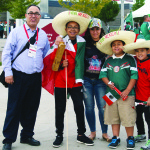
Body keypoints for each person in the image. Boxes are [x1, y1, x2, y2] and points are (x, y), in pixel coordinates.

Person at [42, 11, 94, 148]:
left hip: (76, 81)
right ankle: (59, 134)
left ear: (79, 30)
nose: (72, 29)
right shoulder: (60, 42)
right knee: (60, 109)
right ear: (65, 29)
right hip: (61, 81)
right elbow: (53, 64)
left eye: (75, 27)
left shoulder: (82, 43)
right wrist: (60, 64)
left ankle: (81, 134)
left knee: (79, 108)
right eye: (70, 27)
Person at [2, 4, 50, 150]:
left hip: (35, 77)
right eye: (31, 13)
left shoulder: (42, 35)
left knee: (31, 108)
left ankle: (27, 135)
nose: (33, 16)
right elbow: (6, 53)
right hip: (17, 76)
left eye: (36, 13)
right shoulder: (17, 32)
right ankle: (8, 139)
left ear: (40, 17)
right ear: (26, 15)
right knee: (14, 108)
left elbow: (46, 55)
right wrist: (8, 73)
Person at [97, 31, 138, 149]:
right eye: (114, 44)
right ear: (111, 48)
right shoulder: (108, 60)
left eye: (119, 44)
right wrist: (108, 83)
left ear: (123, 46)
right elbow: (103, 75)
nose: (116, 46)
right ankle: (115, 137)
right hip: (111, 95)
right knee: (113, 117)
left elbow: (134, 76)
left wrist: (127, 90)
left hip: (127, 94)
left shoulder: (130, 59)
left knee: (127, 116)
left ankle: (130, 138)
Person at [82, 18, 111, 141]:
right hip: (87, 80)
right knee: (89, 107)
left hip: (101, 81)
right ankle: (92, 132)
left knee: (102, 107)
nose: (95, 32)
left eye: (97, 29)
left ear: (101, 30)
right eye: (92, 29)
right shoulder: (84, 42)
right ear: (89, 30)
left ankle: (105, 133)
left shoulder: (106, 43)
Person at [123, 35, 150, 150]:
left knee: (149, 119)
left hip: (147, 98)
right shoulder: (135, 62)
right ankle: (142, 134)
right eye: (137, 51)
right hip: (138, 96)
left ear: (148, 51)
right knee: (137, 116)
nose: (139, 53)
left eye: (142, 51)